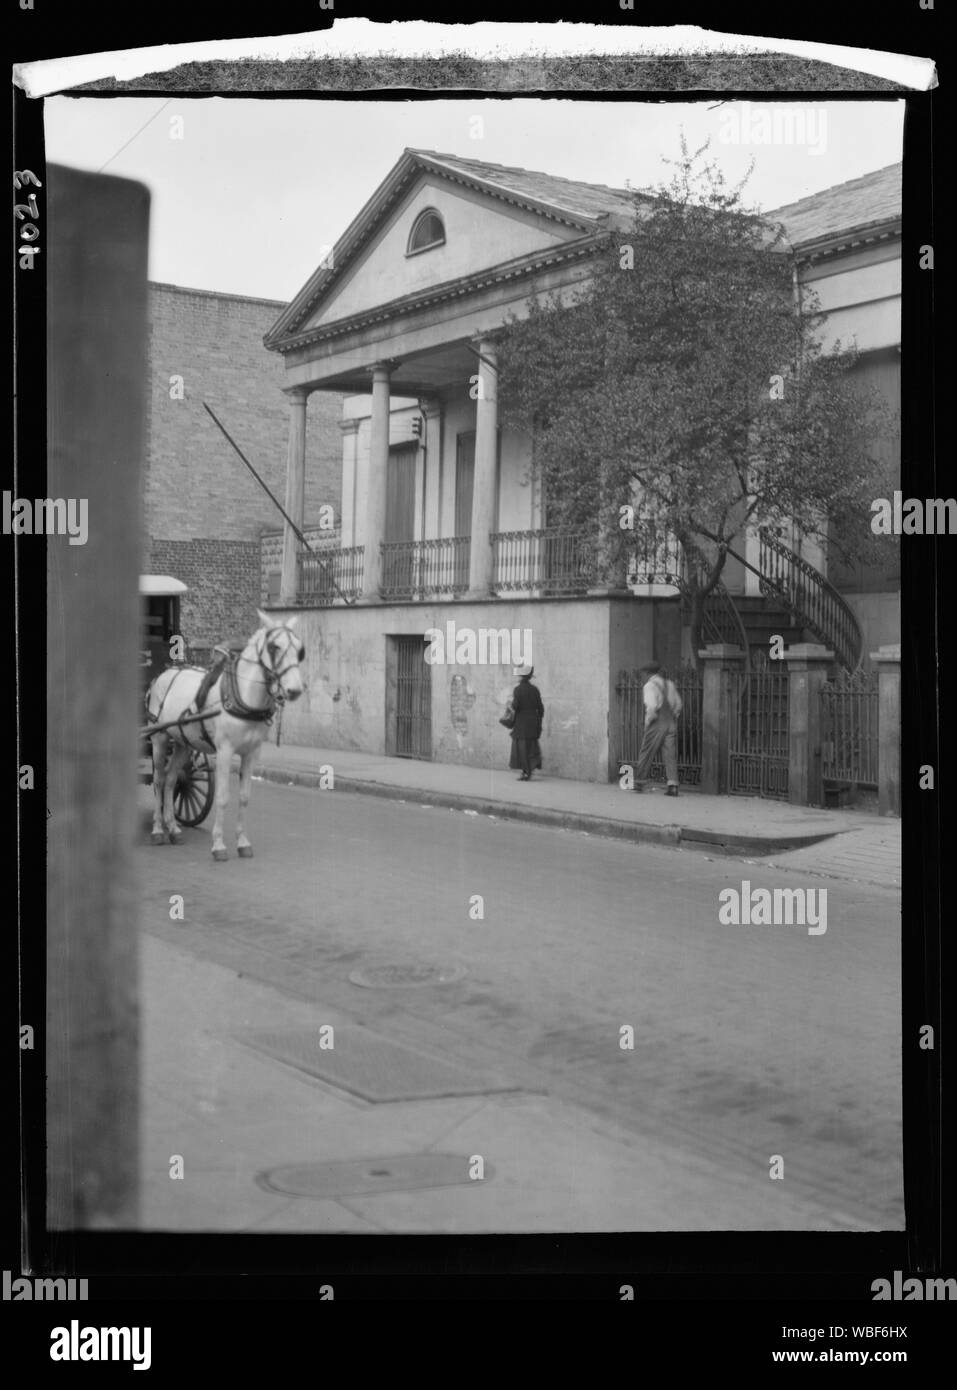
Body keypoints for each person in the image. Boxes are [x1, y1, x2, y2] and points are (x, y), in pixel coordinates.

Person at [632, 662, 682, 796]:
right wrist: (673, 717)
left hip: (657, 721)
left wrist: (648, 722)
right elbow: (678, 704)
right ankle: (673, 786)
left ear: (648, 673)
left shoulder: (649, 686)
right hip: (671, 722)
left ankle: (639, 783)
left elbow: (652, 706)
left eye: (643, 673)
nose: (642, 676)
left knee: (646, 751)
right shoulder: (670, 684)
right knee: (670, 755)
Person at [508, 664, 544, 781]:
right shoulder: (535, 690)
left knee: (522, 749)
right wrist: (539, 721)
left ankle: (526, 772)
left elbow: (515, 706)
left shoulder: (518, 690)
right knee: (531, 747)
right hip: (533, 723)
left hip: (521, 724)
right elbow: (541, 708)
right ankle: (529, 770)